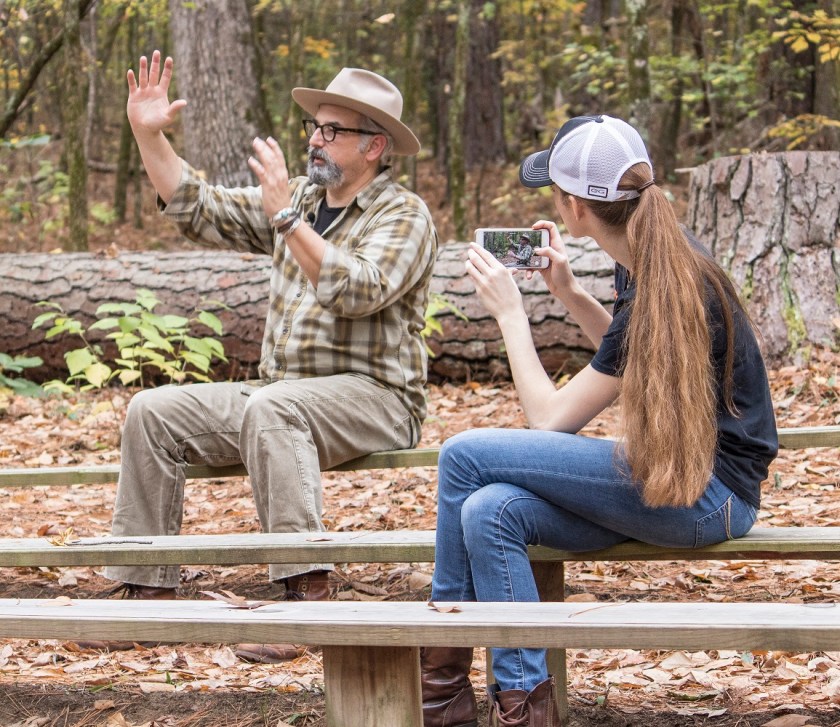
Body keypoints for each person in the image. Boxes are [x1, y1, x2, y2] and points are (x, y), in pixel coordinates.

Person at [420, 115, 777, 726]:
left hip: (706, 494)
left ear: (575, 208)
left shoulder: (664, 279)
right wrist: (567, 292)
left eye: (554, 194)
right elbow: (633, 361)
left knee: (464, 455)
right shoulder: (650, 253)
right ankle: (526, 708)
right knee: (488, 510)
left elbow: (551, 419)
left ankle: (438, 688)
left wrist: (511, 315)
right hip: (684, 481)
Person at [95, 52, 438, 661]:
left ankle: (302, 600)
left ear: (374, 147)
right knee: (153, 410)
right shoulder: (302, 198)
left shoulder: (404, 214)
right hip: (281, 396)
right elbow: (198, 206)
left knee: (276, 408)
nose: (316, 139)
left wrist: (284, 217)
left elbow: (357, 290)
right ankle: (145, 590)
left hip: (376, 396)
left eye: (334, 131)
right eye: (316, 127)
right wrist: (149, 135)